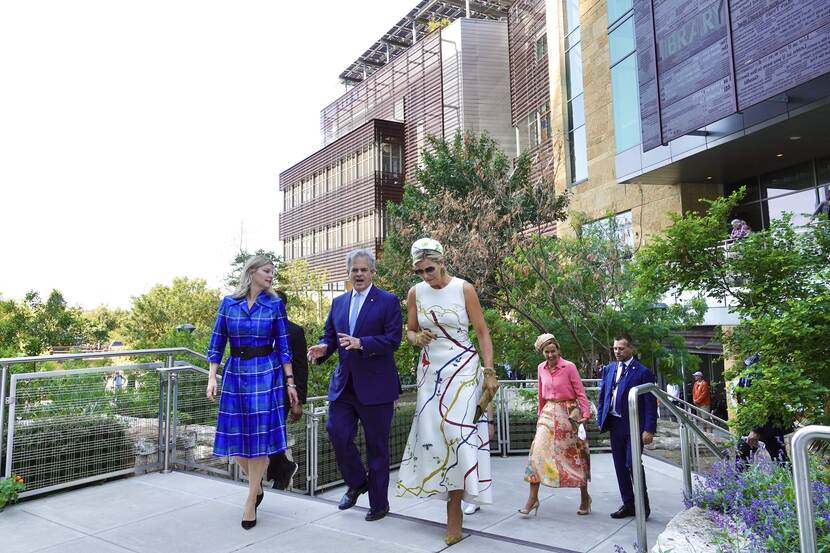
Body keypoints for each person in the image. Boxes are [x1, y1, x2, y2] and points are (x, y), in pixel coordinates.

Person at [396, 238, 499, 546]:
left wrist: (490, 373)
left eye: (430, 268)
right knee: (436, 439)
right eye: (420, 271)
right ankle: (453, 497)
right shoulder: (415, 293)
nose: (426, 275)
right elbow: (410, 330)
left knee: (457, 433)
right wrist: (417, 338)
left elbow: (482, 331)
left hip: (464, 369)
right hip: (431, 372)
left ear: (442, 261)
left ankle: (455, 510)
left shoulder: (464, 288)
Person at [307, 249, 402, 522]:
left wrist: (363, 343)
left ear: (372, 272)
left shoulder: (387, 301)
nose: (359, 274)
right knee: (336, 432)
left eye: (363, 270)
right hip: (344, 385)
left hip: (377, 387)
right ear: (348, 273)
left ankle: (379, 504)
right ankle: (357, 481)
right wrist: (323, 348)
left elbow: (393, 340)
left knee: (377, 448)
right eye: (354, 270)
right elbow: (331, 337)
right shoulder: (338, 303)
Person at [206, 255, 299, 529]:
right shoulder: (228, 303)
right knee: (235, 436)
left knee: (258, 438)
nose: (271, 275)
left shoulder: (275, 304)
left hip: (265, 374)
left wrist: (290, 383)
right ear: (252, 272)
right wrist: (212, 377)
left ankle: (250, 501)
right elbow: (216, 342)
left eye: (272, 271)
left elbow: (283, 346)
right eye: (267, 271)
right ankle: (257, 486)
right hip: (234, 372)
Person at [520, 333, 591, 517]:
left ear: (558, 350)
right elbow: (540, 396)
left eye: (553, 351)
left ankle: (585, 497)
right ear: (542, 353)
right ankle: (532, 498)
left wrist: (585, 413)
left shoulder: (569, 367)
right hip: (548, 414)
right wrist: (539, 417)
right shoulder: (541, 369)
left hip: (568, 413)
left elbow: (580, 392)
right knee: (536, 454)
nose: (550, 355)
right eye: (546, 352)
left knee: (575, 456)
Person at [596, 333, 657, 520]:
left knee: (632, 464)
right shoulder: (610, 369)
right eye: (615, 348)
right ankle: (628, 504)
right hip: (615, 424)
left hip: (634, 424)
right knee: (620, 466)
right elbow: (604, 395)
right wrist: (601, 417)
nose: (617, 352)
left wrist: (649, 429)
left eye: (621, 348)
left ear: (631, 349)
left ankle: (643, 506)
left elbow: (649, 402)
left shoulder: (642, 372)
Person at [266, 290, 309, 490]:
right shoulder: (259, 328)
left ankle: (280, 470)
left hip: (282, 393)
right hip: (260, 390)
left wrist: (297, 401)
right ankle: (283, 468)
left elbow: (301, 367)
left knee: (272, 431)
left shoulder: (295, 331)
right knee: (264, 432)